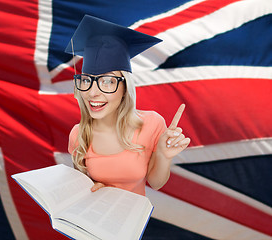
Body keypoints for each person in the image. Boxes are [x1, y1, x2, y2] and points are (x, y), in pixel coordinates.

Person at [66, 15, 190, 196]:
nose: (93, 93)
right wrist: (92, 188)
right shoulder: (78, 134)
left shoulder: (151, 123)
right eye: (86, 81)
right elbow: (82, 186)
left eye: (107, 81)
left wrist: (163, 155)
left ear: (125, 88)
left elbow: (155, 183)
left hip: (134, 220)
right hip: (94, 219)